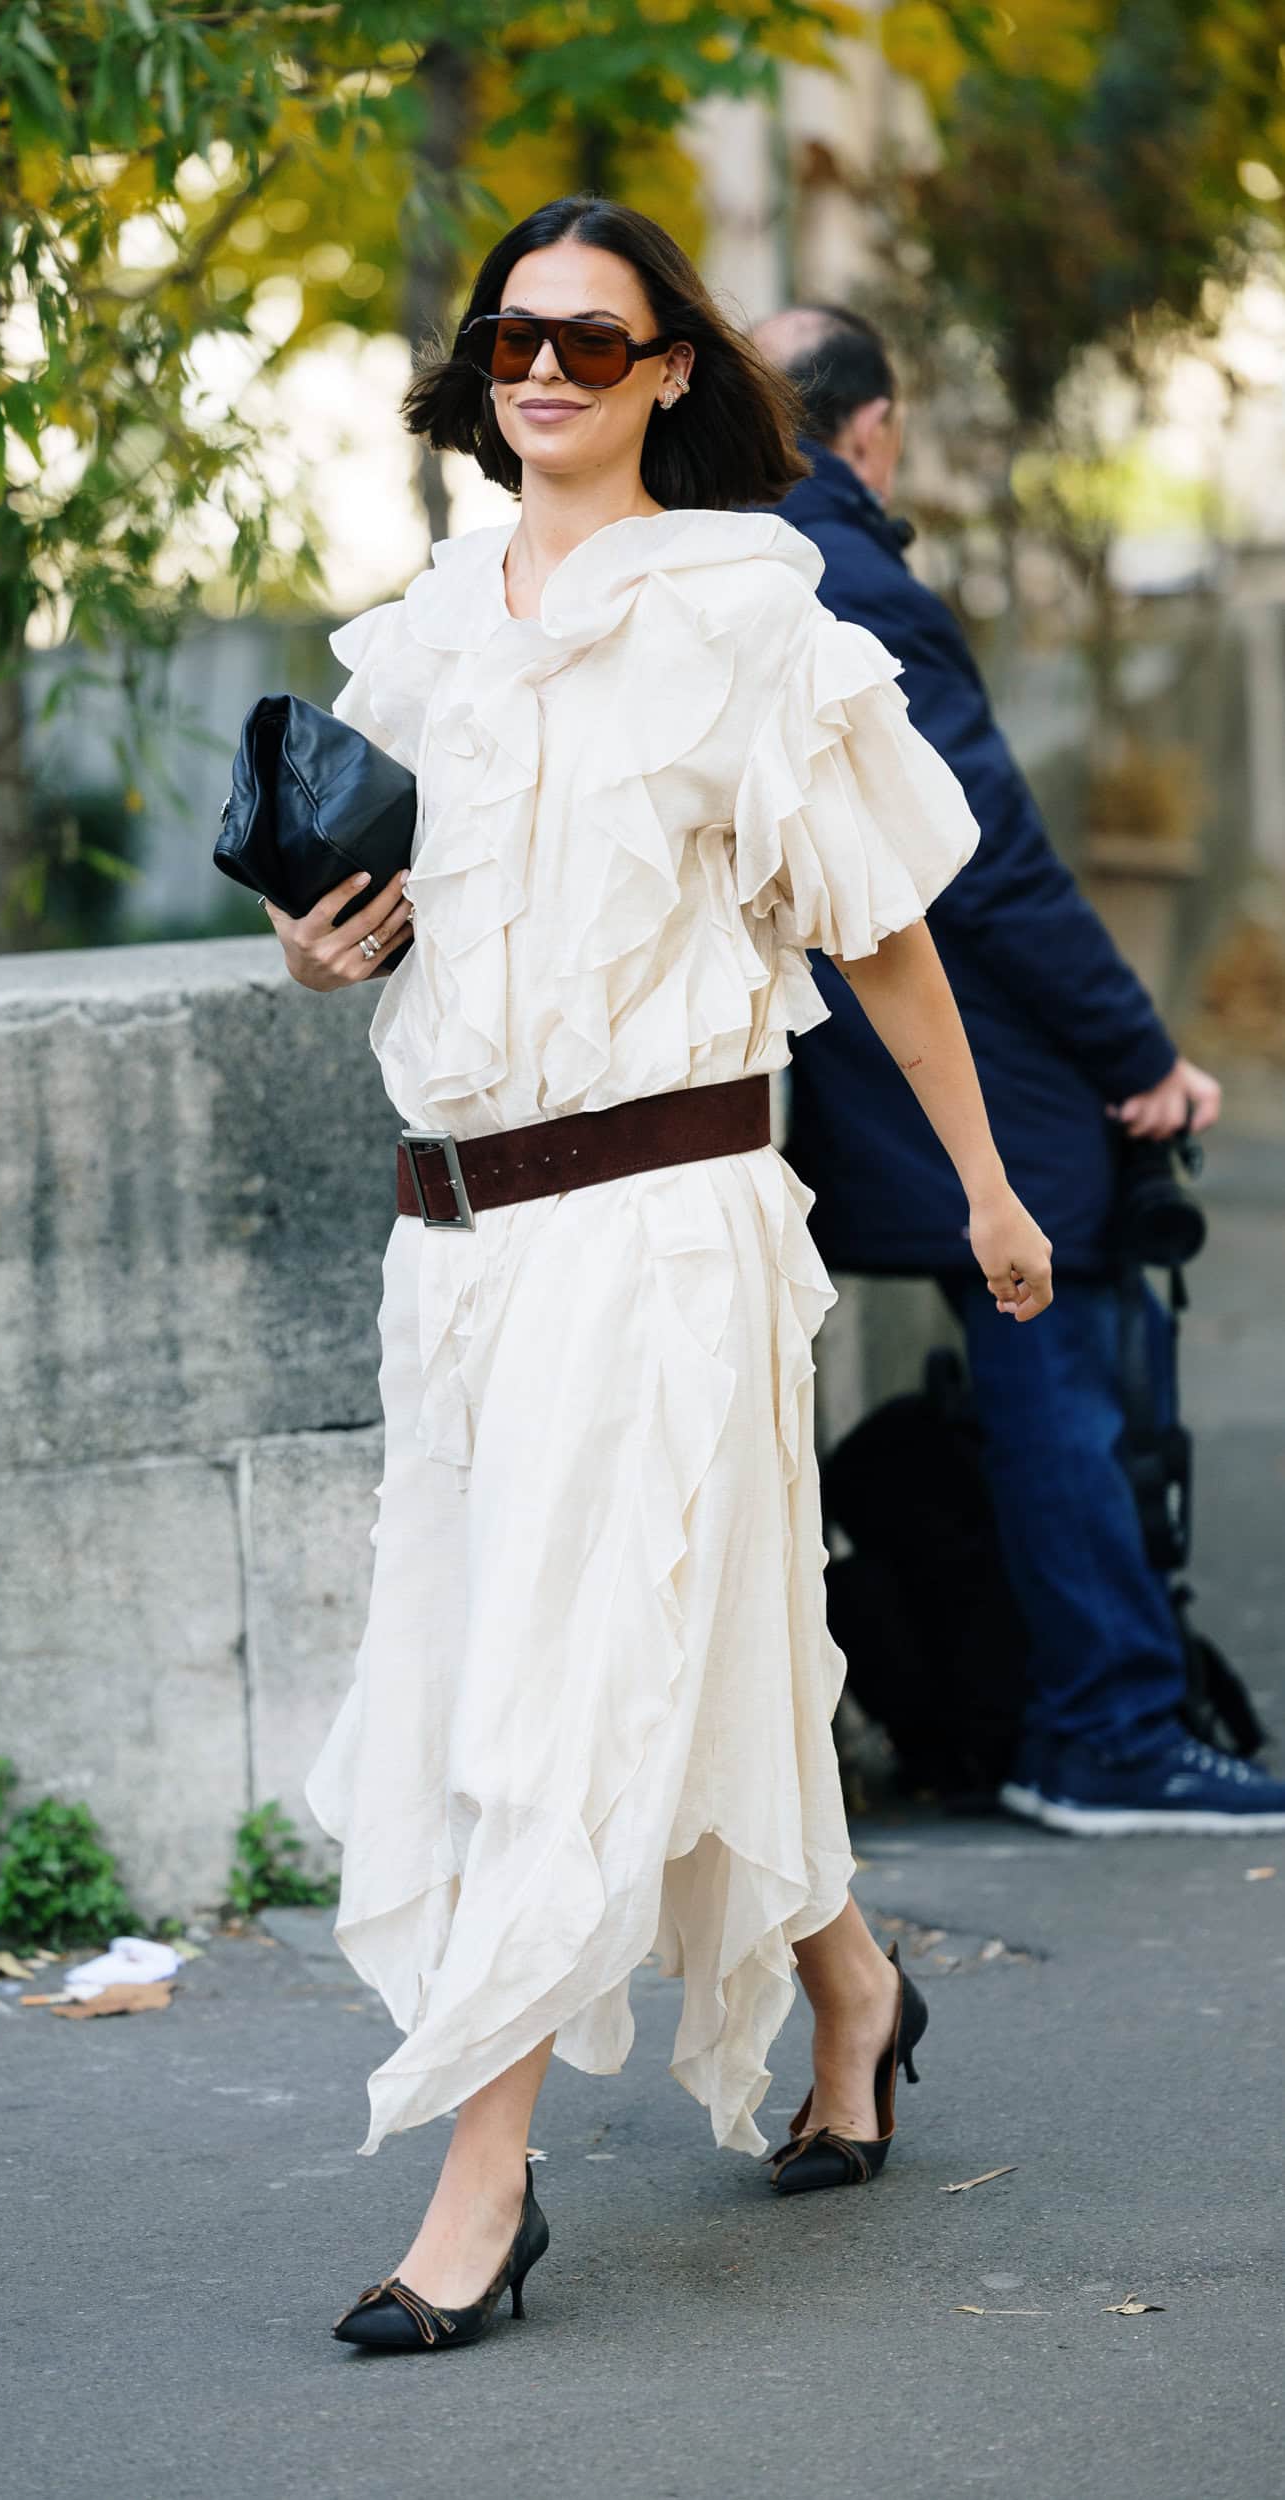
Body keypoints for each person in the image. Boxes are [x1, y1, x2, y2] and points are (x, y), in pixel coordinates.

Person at [265, 196, 1051, 2356]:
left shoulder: (747, 618)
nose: (543, 370)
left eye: (593, 342)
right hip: (455, 1244)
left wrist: (988, 1190)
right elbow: (400, 933)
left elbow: (886, 927)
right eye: (513, 336)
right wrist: (318, 952)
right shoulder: (426, 632)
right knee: (648, 1665)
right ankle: (854, 1988)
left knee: (550, 1694)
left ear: (671, 370)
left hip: (665, 1226)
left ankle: (481, 2190)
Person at [755, 303, 1285, 1838]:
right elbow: (977, 858)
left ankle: (1077, 1703)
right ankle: (1107, 1726)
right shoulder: (849, 574)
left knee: (1035, 1324)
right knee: (1059, 1304)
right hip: (914, 1048)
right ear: (874, 428)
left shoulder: (730, 562)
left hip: (815, 1054)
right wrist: (1140, 1052)